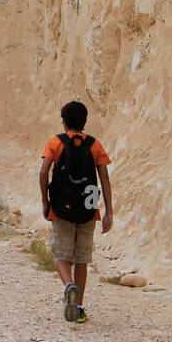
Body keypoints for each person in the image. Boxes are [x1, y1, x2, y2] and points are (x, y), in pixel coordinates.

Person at [39, 101, 113, 323]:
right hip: (88, 210)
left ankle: (68, 286)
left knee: (61, 255)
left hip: (61, 209)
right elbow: (105, 179)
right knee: (82, 259)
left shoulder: (55, 143)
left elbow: (43, 172)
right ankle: (79, 306)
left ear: (63, 121)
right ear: (85, 121)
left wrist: (45, 201)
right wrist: (109, 211)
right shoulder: (95, 145)